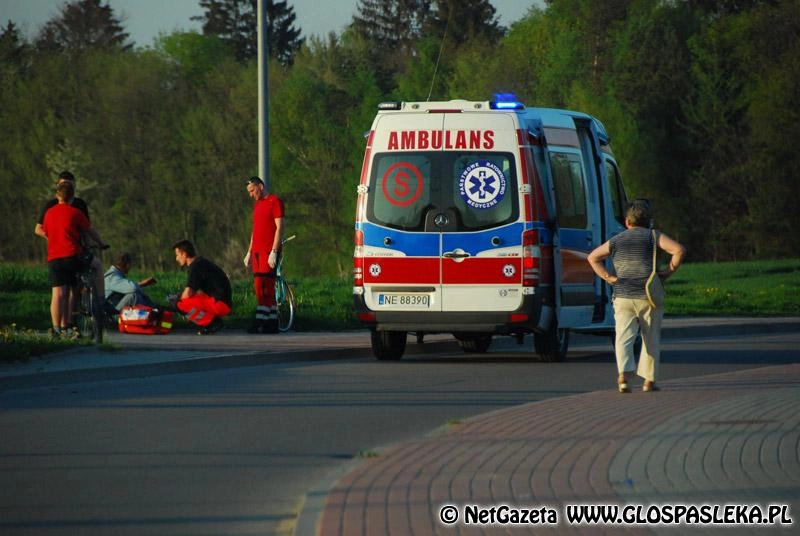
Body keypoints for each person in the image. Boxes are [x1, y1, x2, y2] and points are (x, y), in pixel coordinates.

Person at [587, 199, 686, 393]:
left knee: (624, 337)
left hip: (622, 295)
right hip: (647, 294)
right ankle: (649, 381)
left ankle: (623, 376)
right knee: (650, 337)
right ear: (648, 220)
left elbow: (593, 257)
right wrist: (669, 271)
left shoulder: (617, 240)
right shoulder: (653, 236)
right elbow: (679, 250)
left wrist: (608, 277)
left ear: (627, 222)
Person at [41, 181, 108, 336]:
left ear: (57, 195)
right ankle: (100, 300)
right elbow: (90, 230)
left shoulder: (49, 213)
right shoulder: (75, 212)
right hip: (72, 256)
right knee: (96, 265)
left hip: (54, 258)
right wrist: (101, 243)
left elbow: (46, 231)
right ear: (72, 197)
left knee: (58, 293)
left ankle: (56, 329)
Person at [34, 170, 105, 307]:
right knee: (67, 287)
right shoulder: (51, 206)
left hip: (75, 248)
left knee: (65, 290)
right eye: (63, 185)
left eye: (69, 185)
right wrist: (56, 238)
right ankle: (99, 302)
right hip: (67, 251)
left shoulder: (80, 205)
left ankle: (66, 322)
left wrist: (88, 245)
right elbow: (38, 228)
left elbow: (86, 229)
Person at [243, 176, 284, 334]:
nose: (251, 194)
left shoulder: (275, 202)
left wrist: (274, 251)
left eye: (252, 190)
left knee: (264, 286)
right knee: (261, 286)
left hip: (268, 251)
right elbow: (255, 230)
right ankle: (271, 322)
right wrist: (249, 252)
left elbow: (279, 228)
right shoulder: (257, 206)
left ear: (260, 186)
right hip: (257, 252)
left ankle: (261, 320)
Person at [171, 239, 232, 335]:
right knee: (183, 300)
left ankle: (212, 322)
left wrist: (176, 304)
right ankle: (210, 321)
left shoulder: (195, 267)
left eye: (177, 255)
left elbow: (188, 293)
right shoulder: (200, 263)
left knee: (179, 304)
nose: (176, 258)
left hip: (220, 304)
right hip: (222, 301)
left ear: (184, 254)